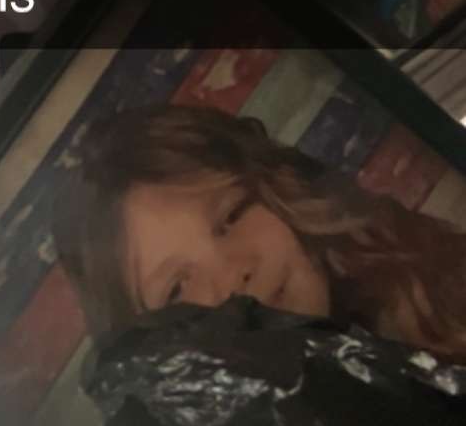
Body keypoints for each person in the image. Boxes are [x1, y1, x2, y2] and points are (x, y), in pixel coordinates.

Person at [54, 100, 466, 359]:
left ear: (278, 195)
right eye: (177, 289)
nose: (236, 271)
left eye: (233, 216)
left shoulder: (433, 288)